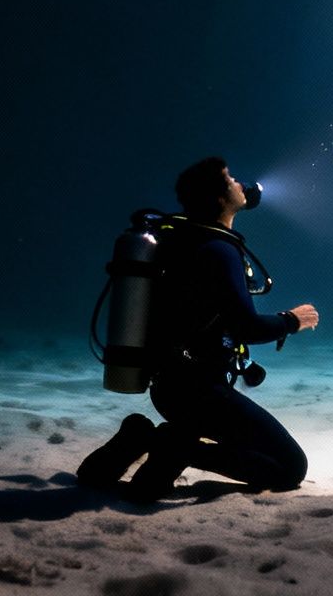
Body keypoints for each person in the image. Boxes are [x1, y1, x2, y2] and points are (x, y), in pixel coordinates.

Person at [77, 157, 320, 502]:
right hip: (200, 394)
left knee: (160, 481)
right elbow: (246, 327)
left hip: (170, 389)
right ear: (220, 198)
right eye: (231, 179)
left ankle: (144, 439)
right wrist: (291, 320)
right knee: (290, 467)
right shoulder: (219, 249)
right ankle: (167, 443)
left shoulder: (184, 241)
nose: (240, 184)